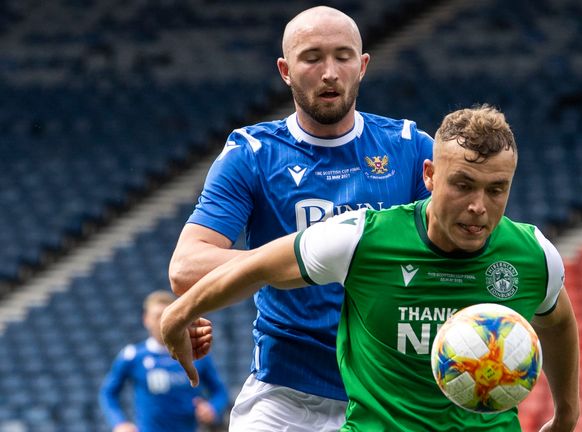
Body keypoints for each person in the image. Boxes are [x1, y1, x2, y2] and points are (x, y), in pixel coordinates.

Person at [162, 106, 580, 432]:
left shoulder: (533, 256)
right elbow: (259, 267)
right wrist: (176, 315)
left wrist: (566, 413)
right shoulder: (362, 239)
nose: (478, 206)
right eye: (463, 184)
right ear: (430, 176)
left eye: (496, 190)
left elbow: (557, 321)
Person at [167, 5, 433, 431]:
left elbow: (461, 253)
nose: (329, 72)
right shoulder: (251, 154)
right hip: (284, 397)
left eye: (343, 56)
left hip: (390, 396)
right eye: (312, 57)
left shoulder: (411, 148)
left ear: (362, 66)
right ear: (285, 70)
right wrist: (307, 258)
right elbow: (186, 268)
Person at [99, 290, 229, 432]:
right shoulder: (133, 356)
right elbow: (108, 393)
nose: (162, 322)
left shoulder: (195, 354)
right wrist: (119, 423)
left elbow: (220, 391)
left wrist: (212, 408)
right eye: (157, 317)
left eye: (166, 316)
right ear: (146, 319)